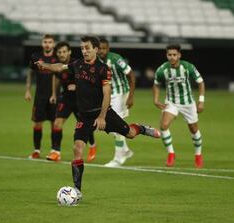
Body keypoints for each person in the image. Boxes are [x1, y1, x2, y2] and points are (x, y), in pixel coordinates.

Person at [35, 36, 160, 200]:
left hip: (104, 113)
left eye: (87, 48)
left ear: (95, 49)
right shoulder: (77, 64)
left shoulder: (103, 69)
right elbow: (60, 67)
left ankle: (142, 128)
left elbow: (107, 93)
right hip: (84, 115)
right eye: (82, 48)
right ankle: (77, 190)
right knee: (77, 148)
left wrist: (102, 117)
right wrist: (46, 65)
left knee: (129, 133)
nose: (84, 51)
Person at [98, 38, 152, 167]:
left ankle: (118, 158)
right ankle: (125, 150)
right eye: (99, 48)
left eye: (104, 48)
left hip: (121, 94)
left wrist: (131, 96)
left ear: (108, 48)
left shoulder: (116, 59)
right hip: (108, 95)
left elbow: (131, 75)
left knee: (116, 125)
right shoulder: (96, 61)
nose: (101, 51)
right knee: (108, 126)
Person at [152, 44, 205, 168]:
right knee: (163, 125)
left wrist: (201, 101)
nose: (172, 57)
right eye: (169, 55)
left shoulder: (188, 67)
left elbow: (200, 82)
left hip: (188, 103)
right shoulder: (162, 69)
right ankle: (171, 154)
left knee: (193, 129)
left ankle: (198, 155)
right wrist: (155, 100)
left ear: (179, 55)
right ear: (167, 55)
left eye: (174, 55)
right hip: (172, 103)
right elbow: (156, 84)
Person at [49, 41, 97, 162]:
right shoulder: (57, 65)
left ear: (69, 52)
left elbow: (89, 80)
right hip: (66, 99)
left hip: (81, 99)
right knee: (57, 123)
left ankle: (92, 145)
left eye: (64, 51)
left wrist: (77, 86)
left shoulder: (78, 64)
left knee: (86, 127)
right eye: (59, 52)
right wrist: (54, 94)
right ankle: (55, 152)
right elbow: (55, 77)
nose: (62, 54)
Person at [25, 34, 59, 161]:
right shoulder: (36, 57)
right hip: (40, 96)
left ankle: (54, 151)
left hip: (54, 96)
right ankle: (36, 150)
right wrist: (28, 90)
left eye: (50, 42)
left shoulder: (57, 58)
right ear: (42, 43)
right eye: (45, 42)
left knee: (54, 124)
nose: (47, 44)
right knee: (37, 123)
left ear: (53, 44)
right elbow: (30, 72)